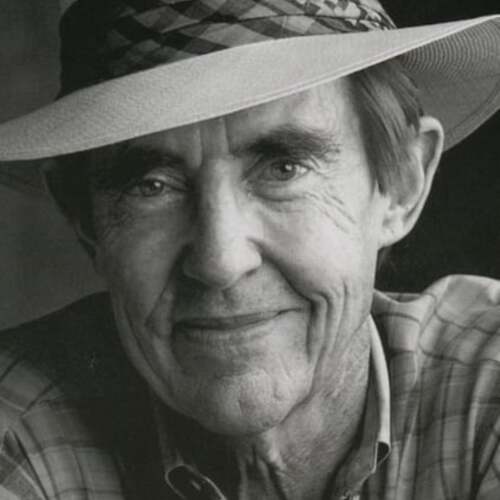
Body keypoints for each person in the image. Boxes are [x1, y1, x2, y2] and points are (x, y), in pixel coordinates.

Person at [0, 0, 499, 498]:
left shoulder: (487, 391)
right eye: (151, 186)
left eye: (283, 169)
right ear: (85, 220)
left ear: (401, 184)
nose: (220, 261)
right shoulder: (18, 430)